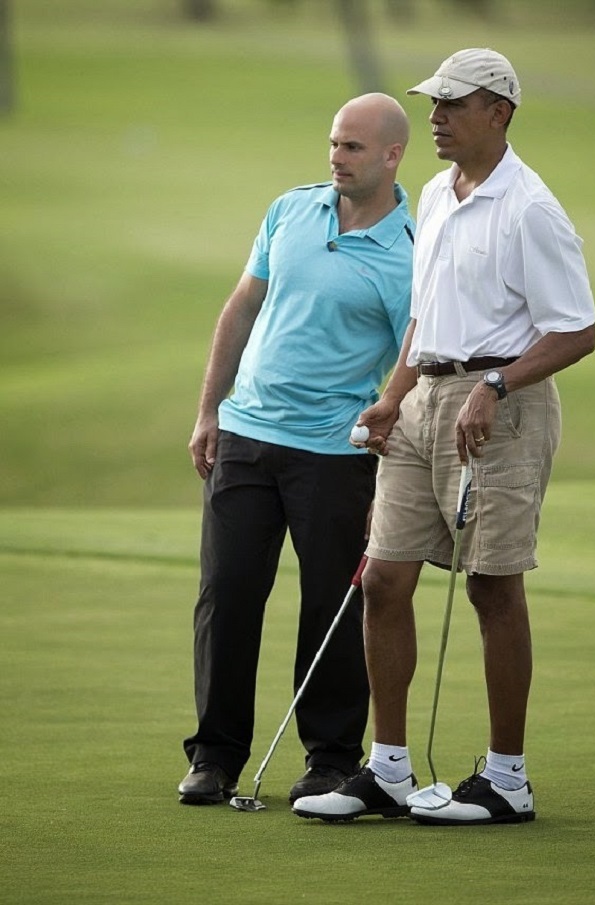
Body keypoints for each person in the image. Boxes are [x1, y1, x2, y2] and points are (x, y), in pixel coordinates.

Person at [292, 48, 595, 825]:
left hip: (504, 402)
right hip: (426, 397)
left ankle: (506, 780)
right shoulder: (432, 190)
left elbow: (578, 329)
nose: (435, 117)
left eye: (452, 105)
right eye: (432, 103)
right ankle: (388, 770)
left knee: (492, 584)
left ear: (499, 113)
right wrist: (394, 397)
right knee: (385, 578)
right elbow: (425, 314)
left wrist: (496, 385)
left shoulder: (530, 208)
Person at [178, 93, 415, 806]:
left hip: (334, 455)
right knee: (228, 595)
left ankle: (333, 759)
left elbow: (414, 356)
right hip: (248, 434)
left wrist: (392, 422)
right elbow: (241, 307)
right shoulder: (289, 209)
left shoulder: (410, 254)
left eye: (352, 147)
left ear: (392, 155)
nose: (336, 157)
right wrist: (209, 409)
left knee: (331, 609)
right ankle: (214, 755)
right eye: (334, 143)